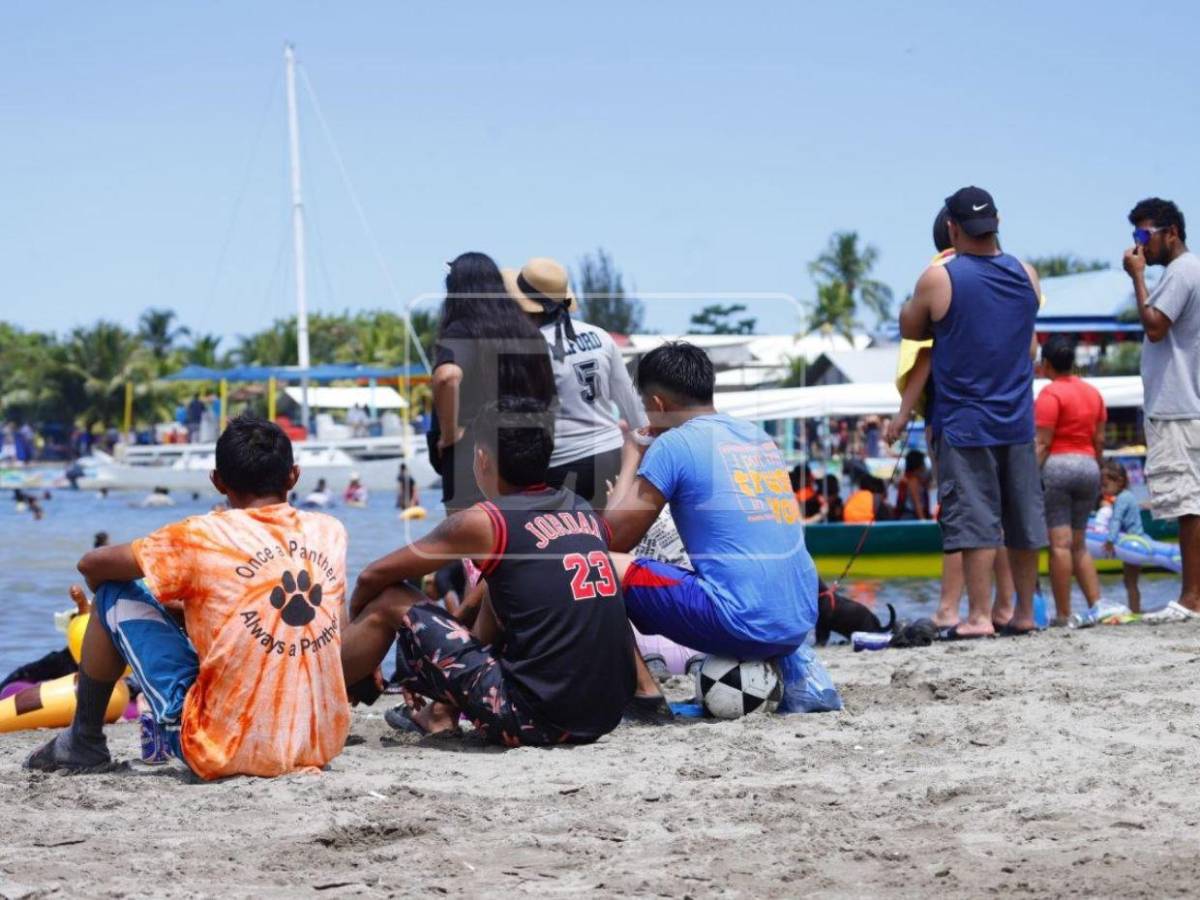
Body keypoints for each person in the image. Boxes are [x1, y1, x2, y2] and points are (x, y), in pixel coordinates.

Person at [25, 415, 350, 777]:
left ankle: (83, 740)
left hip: (223, 749)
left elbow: (92, 566)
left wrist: (164, 606)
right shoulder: (330, 532)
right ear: (294, 476)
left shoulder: (201, 535)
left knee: (114, 592)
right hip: (319, 744)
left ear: (217, 481)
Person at [341, 398, 636, 744]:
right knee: (501, 587)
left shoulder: (486, 521)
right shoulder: (582, 510)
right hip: (602, 714)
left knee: (391, 599)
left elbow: (371, 576)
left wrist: (365, 656)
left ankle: (314, 697)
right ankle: (439, 713)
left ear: (481, 459)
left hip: (534, 720)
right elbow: (492, 606)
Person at [602, 342, 826, 715]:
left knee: (596, 565)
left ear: (657, 405)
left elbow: (614, 540)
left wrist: (631, 458)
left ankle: (644, 693)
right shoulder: (758, 437)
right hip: (797, 621)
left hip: (742, 622)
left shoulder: (673, 444)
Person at [899, 186, 1047, 638]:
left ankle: (979, 616)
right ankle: (1021, 614)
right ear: (997, 222)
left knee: (977, 521)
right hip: (1018, 418)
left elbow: (911, 327)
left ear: (952, 227)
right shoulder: (1027, 273)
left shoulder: (941, 278)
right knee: (1021, 519)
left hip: (966, 422)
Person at [505, 258, 647, 512]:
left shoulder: (527, 348)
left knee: (570, 546)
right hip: (611, 455)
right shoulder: (601, 336)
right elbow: (632, 405)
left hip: (560, 465)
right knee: (610, 542)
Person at [430, 252, 557, 513]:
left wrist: (449, 433)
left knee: (471, 549)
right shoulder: (528, 332)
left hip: (472, 461)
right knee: (519, 545)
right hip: (525, 459)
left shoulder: (462, 331)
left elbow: (447, 377)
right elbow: (548, 400)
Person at [1123, 197, 1200, 622]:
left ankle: (1191, 599)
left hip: (1178, 406)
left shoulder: (1180, 271)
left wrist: (1137, 278)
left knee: (1188, 505)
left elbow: (1154, 327)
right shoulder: (1192, 270)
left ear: (1171, 232)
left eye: (1143, 235)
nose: (1139, 247)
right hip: (1188, 404)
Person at [1035, 335, 1106, 625]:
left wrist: (1028, 478)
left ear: (1046, 364)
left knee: (1060, 545)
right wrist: (1096, 470)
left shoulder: (1050, 395)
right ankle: (1097, 605)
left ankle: (1063, 614)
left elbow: (1043, 444)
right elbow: (1099, 439)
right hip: (1089, 465)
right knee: (1080, 544)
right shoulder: (1093, 393)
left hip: (1059, 467)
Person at [1100, 460, 1146, 613]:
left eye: (1105, 485)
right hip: (1136, 541)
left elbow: (1116, 520)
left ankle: (1135, 611)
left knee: (1130, 581)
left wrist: (1110, 540)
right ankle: (1135, 609)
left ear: (1119, 481)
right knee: (1130, 581)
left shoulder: (1122, 499)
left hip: (1133, 543)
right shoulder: (1128, 496)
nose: (1103, 489)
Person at [895, 450, 931, 520]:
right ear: (919, 464)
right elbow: (917, 503)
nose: (924, 465)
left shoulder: (913, 479)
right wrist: (923, 521)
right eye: (923, 463)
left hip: (912, 515)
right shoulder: (912, 480)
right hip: (911, 517)